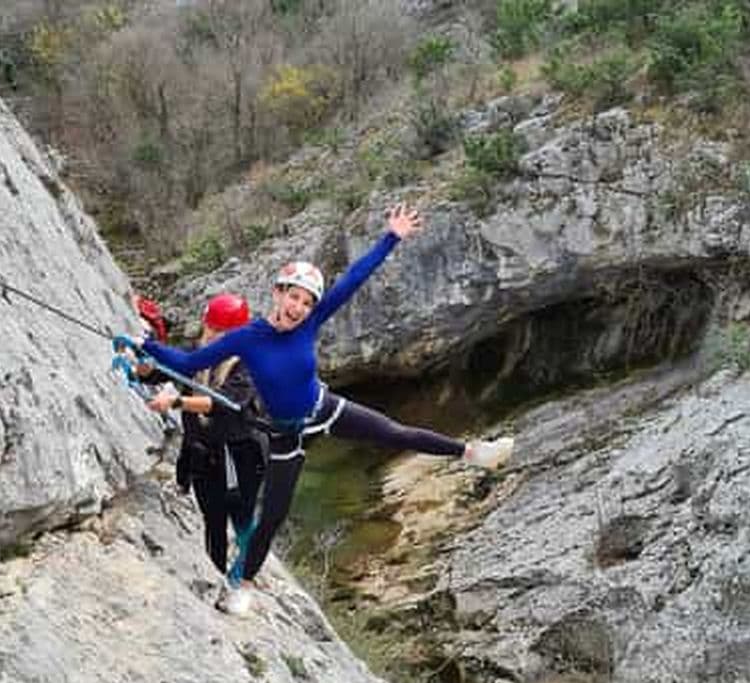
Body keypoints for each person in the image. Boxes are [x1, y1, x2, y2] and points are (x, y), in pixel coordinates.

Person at [140, 204, 514, 615]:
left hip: (323, 408)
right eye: (294, 296)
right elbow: (190, 365)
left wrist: (391, 236)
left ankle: (474, 453)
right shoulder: (247, 338)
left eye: (307, 301)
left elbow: (353, 280)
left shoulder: (311, 324)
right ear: (278, 293)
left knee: (396, 432)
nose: (299, 307)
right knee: (274, 515)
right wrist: (148, 347)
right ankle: (242, 585)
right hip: (285, 432)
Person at [146, 294, 266, 605]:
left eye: (218, 331)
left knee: (241, 519)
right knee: (212, 519)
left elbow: (223, 403)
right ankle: (216, 578)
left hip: (240, 454)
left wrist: (175, 402)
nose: (210, 335)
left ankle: (241, 575)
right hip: (202, 452)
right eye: (208, 327)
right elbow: (165, 368)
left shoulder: (249, 364)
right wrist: (144, 368)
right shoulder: (197, 354)